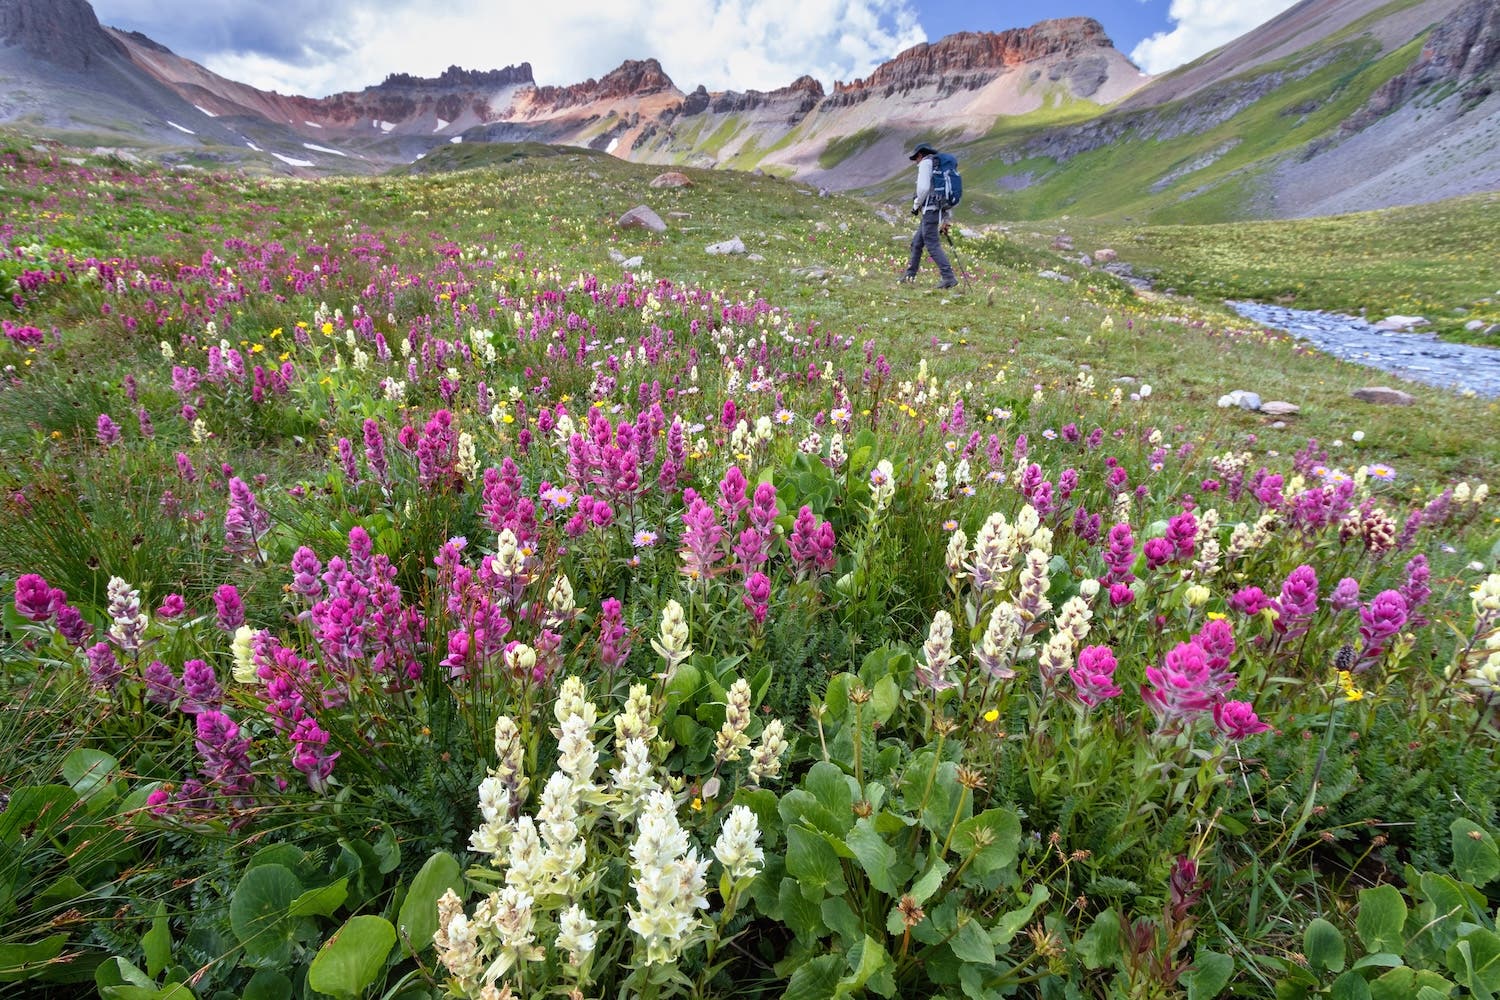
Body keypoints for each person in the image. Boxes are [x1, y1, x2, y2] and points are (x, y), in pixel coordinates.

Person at [899, 142, 957, 289]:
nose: (915, 162)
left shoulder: (926, 164)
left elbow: (923, 188)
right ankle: (909, 275)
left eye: (915, 159)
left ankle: (948, 277)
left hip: (930, 210)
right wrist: (946, 218)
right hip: (935, 210)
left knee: (932, 243)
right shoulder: (939, 167)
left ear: (920, 155)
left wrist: (916, 205)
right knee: (917, 243)